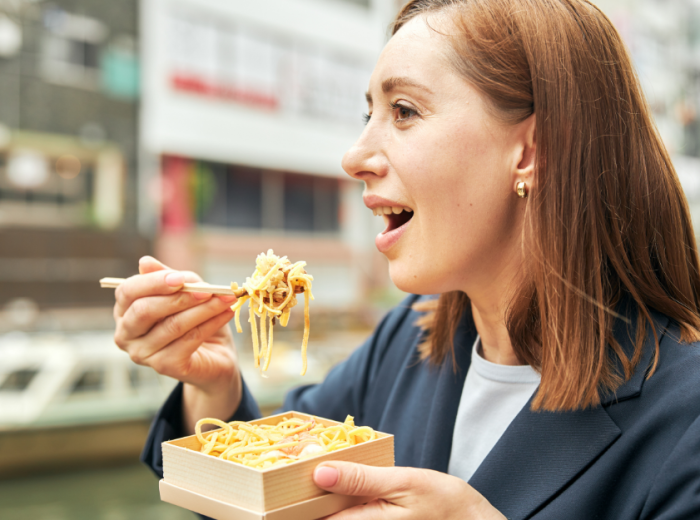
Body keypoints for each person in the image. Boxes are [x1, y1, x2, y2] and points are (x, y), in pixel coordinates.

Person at [113, 0, 700, 518]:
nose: (354, 156)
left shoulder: (684, 416)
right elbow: (272, 492)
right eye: (367, 112)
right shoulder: (408, 341)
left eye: (404, 111)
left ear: (530, 151)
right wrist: (212, 386)